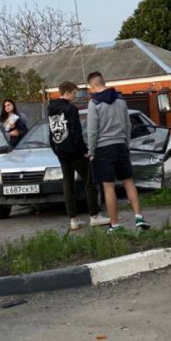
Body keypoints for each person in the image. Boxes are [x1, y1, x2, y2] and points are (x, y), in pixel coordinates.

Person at [86, 72, 150, 233]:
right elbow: (128, 124)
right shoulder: (121, 100)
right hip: (121, 145)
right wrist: (126, 143)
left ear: (93, 86)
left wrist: (91, 151)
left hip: (103, 148)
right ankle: (139, 217)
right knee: (128, 181)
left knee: (109, 187)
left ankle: (114, 224)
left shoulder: (94, 104)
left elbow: (92, 131)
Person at [48, 82, 108, 231]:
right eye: (74, 93)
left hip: (60, 151)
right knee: (90, 181)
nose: (75, 96)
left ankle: (73, 220)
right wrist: (84, 151)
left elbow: (52, 132)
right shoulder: (71, 109)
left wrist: (56, 149)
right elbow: (76, 132)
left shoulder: (51, 109)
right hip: (75, 152)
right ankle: (94, 216)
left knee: (68, 185)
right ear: (67, 92)